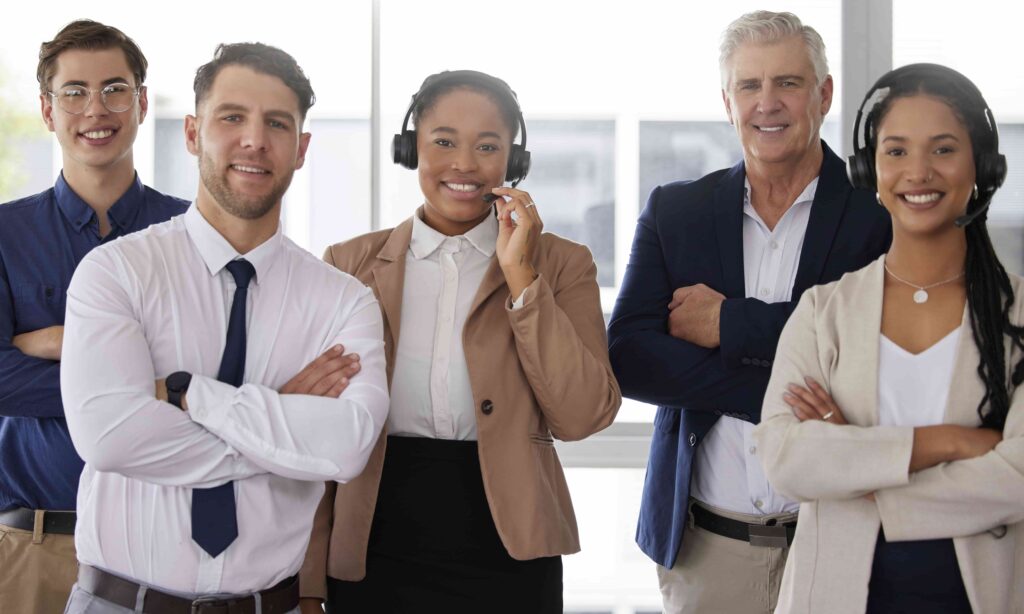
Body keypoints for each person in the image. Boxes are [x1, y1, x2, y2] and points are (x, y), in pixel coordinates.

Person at [59, 42, 389, 613]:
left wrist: (191, 395)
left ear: (301, 148)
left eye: (277, 124)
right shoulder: (116, 272)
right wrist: (279, 417)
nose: (254, 140)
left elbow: (347, 447)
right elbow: (109, 438)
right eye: (232, 117)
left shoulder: (345, 301)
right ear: (192, 133)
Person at [298, 69, 620, 614]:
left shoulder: (562, 265)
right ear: (412, 148)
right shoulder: (348, 265)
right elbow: (319, 436)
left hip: (508, 549)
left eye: (487, 146)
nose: (464, 164)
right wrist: (308, 580)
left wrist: (521, 276)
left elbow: (583, 414)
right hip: (376, 539)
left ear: (512, 161)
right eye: (443, 141)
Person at [607, 11, 892, 614]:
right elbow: (629, 359)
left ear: (824, 94)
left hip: (838, 537)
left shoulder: (879, 217)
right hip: (708, 550)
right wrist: (785, 389)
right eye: (749, 85)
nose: (768, 103)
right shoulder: (675, 212)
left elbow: (879, 355)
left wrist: (727, 324)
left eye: (788, 82)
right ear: (727, 101)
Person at [754, 63, 1023, 614]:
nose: (918, 172)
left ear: (983, 168)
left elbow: (1018, 477)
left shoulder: (1020, 313)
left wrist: (859, 465)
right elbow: (785, 460)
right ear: (867, 171)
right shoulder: (823, 311)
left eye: (943, 149)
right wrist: (947, 442)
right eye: (896, 151)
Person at [0, 20, 189, 613]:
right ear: (47, 110)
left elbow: (217, 366)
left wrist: (61, 342)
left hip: (167, 549)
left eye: (114, 88)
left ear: (140, 103)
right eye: (74, 92)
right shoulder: (5, 234)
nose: (95, 109)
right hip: (37, 547)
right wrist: (153, 386)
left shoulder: (193, 233)